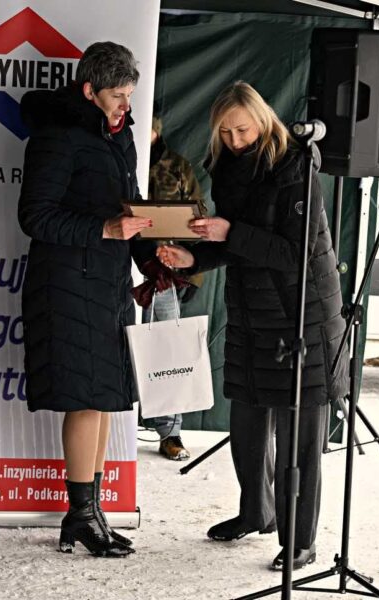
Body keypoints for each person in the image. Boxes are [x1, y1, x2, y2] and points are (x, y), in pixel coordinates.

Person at [157, 81, 349, 570]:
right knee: (246, 425)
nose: (235, 139)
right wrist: (194, 258)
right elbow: (237, 245)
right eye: (225, 132)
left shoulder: (297, 166)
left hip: (301, 314)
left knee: (299, 438)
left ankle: (300, 539)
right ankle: (255, 513)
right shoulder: (226, 165)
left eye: (242, 130)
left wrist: (230, 231)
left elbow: (294, 254)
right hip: (251, 311)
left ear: (263, 122)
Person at [17, 41, 154, 557]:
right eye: (117, 95)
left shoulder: (120, 136)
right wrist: (104, 229)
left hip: (108, 282)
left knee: (105, 398)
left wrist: (154, 258)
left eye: (130, 95)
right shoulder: (57, 135)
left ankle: (91, 512)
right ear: (90, 90)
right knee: (85, 397)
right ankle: (80, 514)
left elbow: (128, 211)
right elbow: (35, 216)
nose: (125, 105)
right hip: (67, 285)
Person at [143, 107, 207, 461]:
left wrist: (193, 273)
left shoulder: (177, 167)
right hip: (115, 268)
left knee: (167, 350)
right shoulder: (114, 159)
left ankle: (170, 433)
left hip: (163, 274)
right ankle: (110, 432)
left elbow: (198, 221)